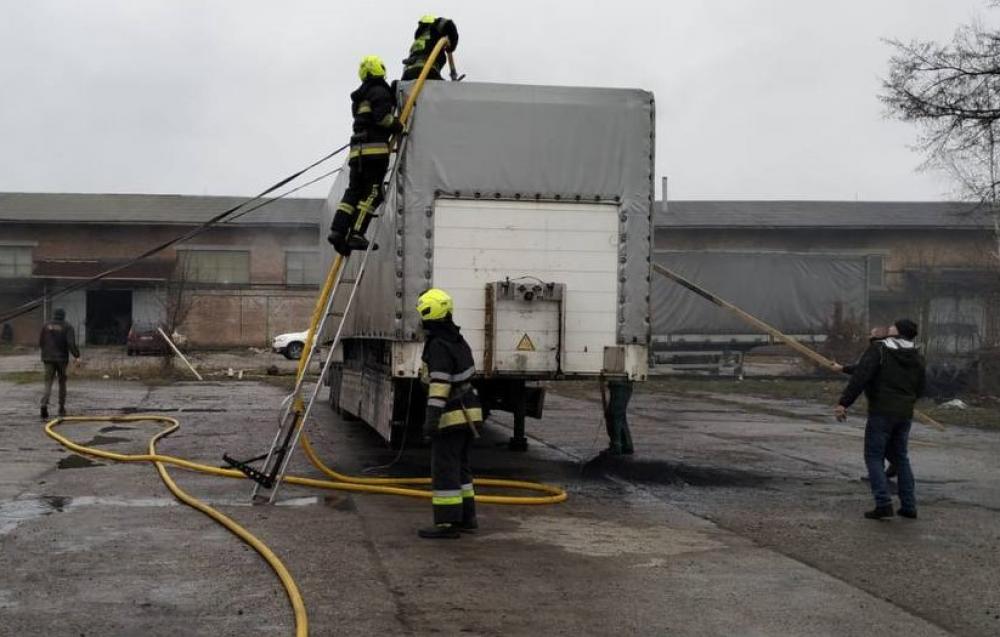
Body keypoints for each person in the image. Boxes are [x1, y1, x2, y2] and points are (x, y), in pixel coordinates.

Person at [835, 319, 925, 520]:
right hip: (904, 413)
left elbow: (861, 376)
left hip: (881, 412)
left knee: (874, 456)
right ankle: (909, 506)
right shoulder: (916, 355)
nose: (889, 327)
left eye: (893, 326)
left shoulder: (880, 349)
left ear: (897, 331)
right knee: (901, 458)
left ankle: (883, 503)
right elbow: (920, 387)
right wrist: (907, 401)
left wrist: (843, 403)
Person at [415, 288, 483, 539]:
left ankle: (446, 523)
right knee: (461, 468)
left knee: (445, 469)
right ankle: (467, 518)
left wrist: (431, 421)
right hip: (469, 413)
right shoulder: (458, 340)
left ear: (428, 313)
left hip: (451, 415)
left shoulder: (438, 345)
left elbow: (439, 386)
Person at [327, 55, 404, 257]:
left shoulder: (360, 97)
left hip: (357, 153)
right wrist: (399, 125)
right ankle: (357, 233)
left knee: (353, 193)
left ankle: (338, 231)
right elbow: (383, 119)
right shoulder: (380, 92)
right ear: (381, 70)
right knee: (373, 194)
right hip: (375, 154)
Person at [835, 327, 897, 478]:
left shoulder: (876, 350)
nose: (869, 335)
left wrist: (844, 403)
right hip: (900, 404)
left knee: (875, 442)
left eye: (871, 333)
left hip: (881, 405)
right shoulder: (897, 351)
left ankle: (879, 476)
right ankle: (896, 463)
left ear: (874, 337)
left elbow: (860, 377)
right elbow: (864, 367)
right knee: (890, 437)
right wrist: (843, 368)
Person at [39, 308, 80, 419]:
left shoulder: (46, 325)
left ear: (54, 315)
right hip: (62, 359)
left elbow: (41, 342)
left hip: (48, 359)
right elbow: (71, 343)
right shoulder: (68, 326)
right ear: (64, 315)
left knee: (48, 382)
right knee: (62, 383)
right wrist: (77, 355)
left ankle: (44, 404)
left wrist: (46, 352)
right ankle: (61, 408)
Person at [401, 15, 459, 81]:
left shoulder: (419, 40)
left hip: (408, 73)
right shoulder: (433, 30)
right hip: (428, 70)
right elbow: (448, 23)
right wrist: (452, 46)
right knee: (444, 87)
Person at [603, 379, 635, 455]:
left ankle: (617, 445)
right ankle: (626, 445)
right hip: (619, 384)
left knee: (615, 414)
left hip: (621, 384)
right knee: (618, 415)